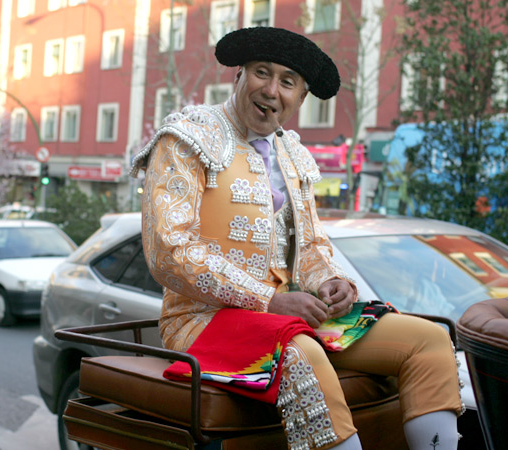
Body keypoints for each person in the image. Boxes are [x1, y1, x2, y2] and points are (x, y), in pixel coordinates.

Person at [132, 27, 463, 450]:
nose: (271, 90)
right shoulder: (187, 137)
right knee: (301, 351)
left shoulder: (293, 153)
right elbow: (168, 251)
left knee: (428, 340)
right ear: (239, 75)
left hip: (288, 317)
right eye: (261, 73)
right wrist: (267, 300)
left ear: (301, 98)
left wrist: (331, 281)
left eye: (287, 81)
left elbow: (309, 246)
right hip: (201, 322)